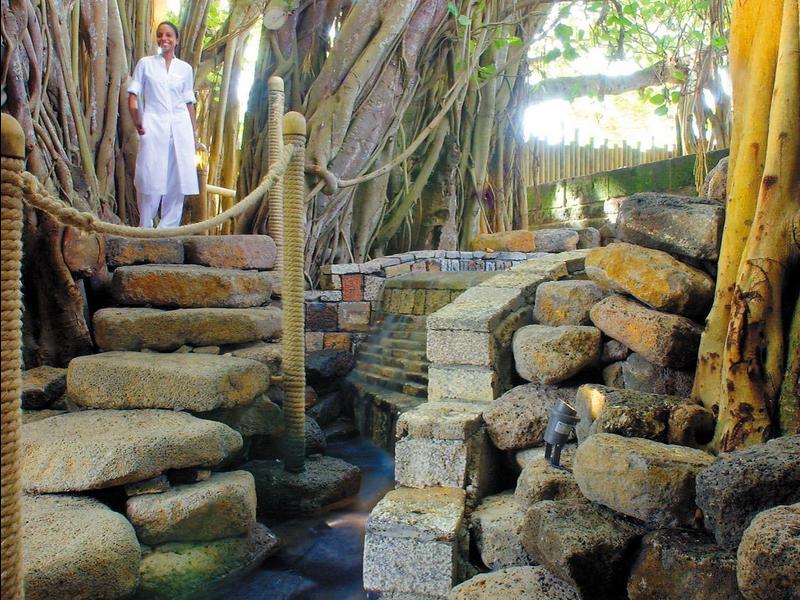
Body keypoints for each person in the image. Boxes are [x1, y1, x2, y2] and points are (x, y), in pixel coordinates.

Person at [127, 21, 200, 228]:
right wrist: (138, 122)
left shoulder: (185, 69)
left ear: (176, 39)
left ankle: (168, 229)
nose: (164, 39)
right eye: (160, 35)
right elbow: (133, 95)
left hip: (180, 127)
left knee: (178, 177)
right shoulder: (146, 64)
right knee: (149, 174)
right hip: (153, 124)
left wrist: (194, 137)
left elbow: (189, 103)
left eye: (168, 35)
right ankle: (146, 226)